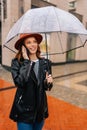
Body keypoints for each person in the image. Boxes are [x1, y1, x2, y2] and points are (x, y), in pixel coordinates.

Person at [9, 33, 53, 130]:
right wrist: (27, 62)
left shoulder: (45, 63)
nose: (33, 44)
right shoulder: (17, 62)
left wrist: (48, 82)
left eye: (35, 41)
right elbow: (19, 82)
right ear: (23, 46)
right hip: (24, 110)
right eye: (28, 42)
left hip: (40, 109)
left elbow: (46, 87)